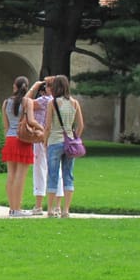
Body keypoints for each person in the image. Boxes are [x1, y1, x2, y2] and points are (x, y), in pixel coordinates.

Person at [44, 75, 85, 218]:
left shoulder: (53, 103)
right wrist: (75, 137)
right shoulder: (74, 103)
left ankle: (50, 209)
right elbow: (81, 125)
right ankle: (66, 210)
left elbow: (48, 126)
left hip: (55, 141)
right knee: (68, 175)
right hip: (70, 143)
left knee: (53, 175)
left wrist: (45, 141)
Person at [1, 76, 40, 217]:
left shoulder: (6, 103)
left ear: (14, 87)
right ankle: (17, 208)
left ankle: (12, 208)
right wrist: (41, 128)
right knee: (21, 176)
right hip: (22, 140)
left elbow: (5, 125)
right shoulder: (27, 102)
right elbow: (30, 120)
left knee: (11, 174)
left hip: (10, 139)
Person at [27, 76, 62, 215]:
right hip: (58, 138)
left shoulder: (44, 101)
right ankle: (58, 206)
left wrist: (34, 87)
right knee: (57, 171)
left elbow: (26, 102)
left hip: (43, 137)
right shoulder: (62, 102)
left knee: (40, 169)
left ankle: (39, 205)